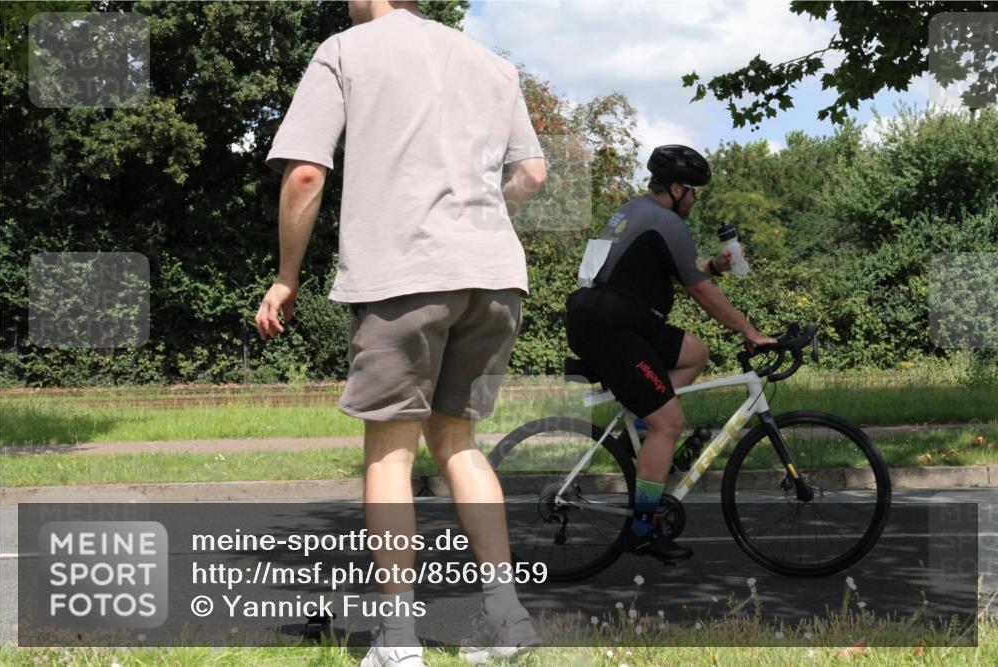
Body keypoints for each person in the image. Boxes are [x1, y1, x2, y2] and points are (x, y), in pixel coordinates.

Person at [254, 2, 547, 665]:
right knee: (457, 440)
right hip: (495, 277)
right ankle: (504, 617)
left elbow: (304, 173)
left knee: (389, 450)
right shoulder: (492, 63)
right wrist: (472, 216)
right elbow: (531, 173)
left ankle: (397, 638)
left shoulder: (346, 49)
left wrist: (286, 276)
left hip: (405, 275)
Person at [565, 144, 776, 562]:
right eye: (695, 191)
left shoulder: (632, 213)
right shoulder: (666, 222)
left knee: (696, 351)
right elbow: (699, 291)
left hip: (610, 317)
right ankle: (643, 528)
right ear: (677, 189)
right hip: (613, 328)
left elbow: (676, 275)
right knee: (671, 423)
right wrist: (750, 330)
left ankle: (644, 434)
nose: (696, 200)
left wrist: (715, 266)